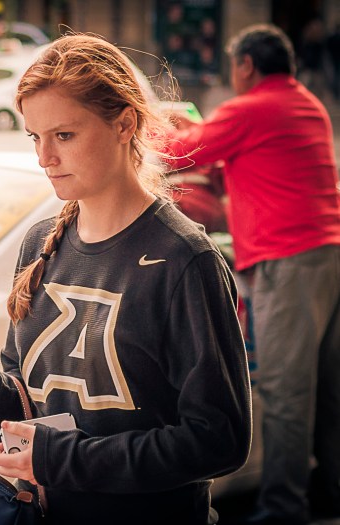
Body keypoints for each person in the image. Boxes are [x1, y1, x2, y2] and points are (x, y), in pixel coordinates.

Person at [0, 33, 252, 525]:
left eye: (63, 135)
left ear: (124, 124)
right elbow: (25, 396)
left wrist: (62, 460)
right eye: (34, 137)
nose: (44, 157)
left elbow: (219, 441)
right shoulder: (40, 242)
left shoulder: (185, 260)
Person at [166, 24, 340, 525]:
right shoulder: (305, 103)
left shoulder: (254, 108)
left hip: (288, 261)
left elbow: (184, 150)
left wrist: (140, 125)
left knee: (286, 392)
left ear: (245, 65)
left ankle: (284, 508)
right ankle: (330, 493)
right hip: (326, 256)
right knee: (328, 389)